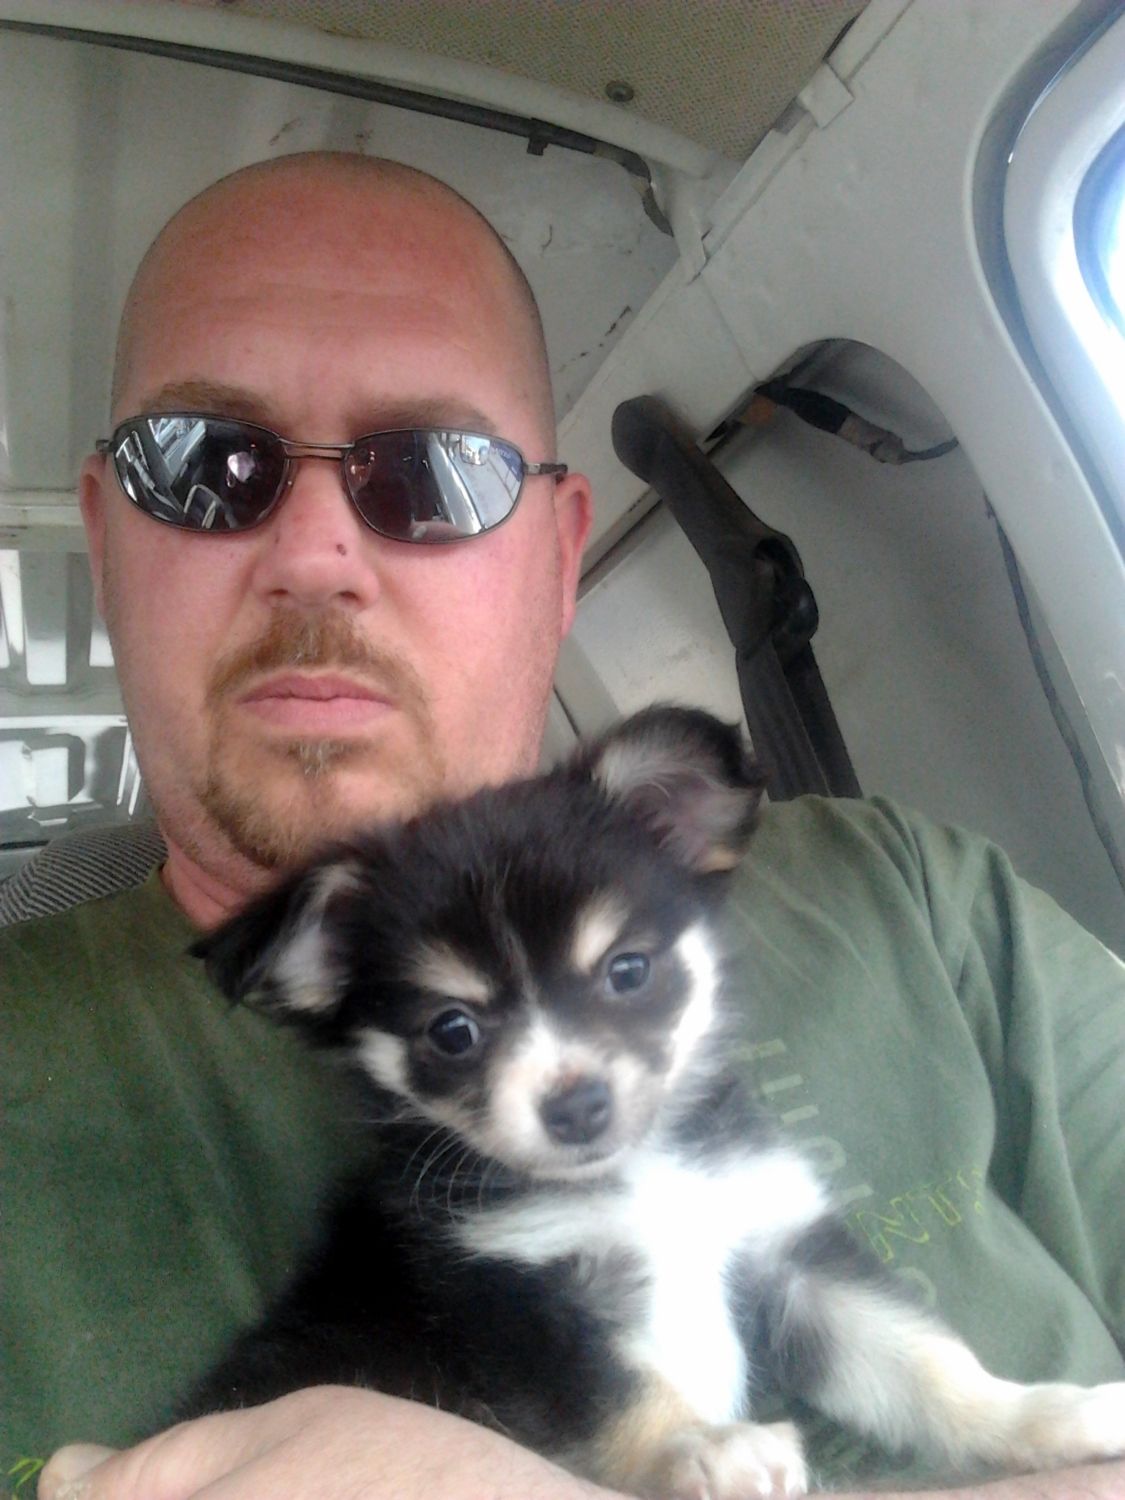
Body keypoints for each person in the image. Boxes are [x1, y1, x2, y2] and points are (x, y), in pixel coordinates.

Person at [1, 152, 1122, 1500]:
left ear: (557, 547)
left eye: (430, 473)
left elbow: (825, 1308)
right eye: (206, 465)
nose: (312, 556)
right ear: (104, 536)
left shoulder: (928, 899)